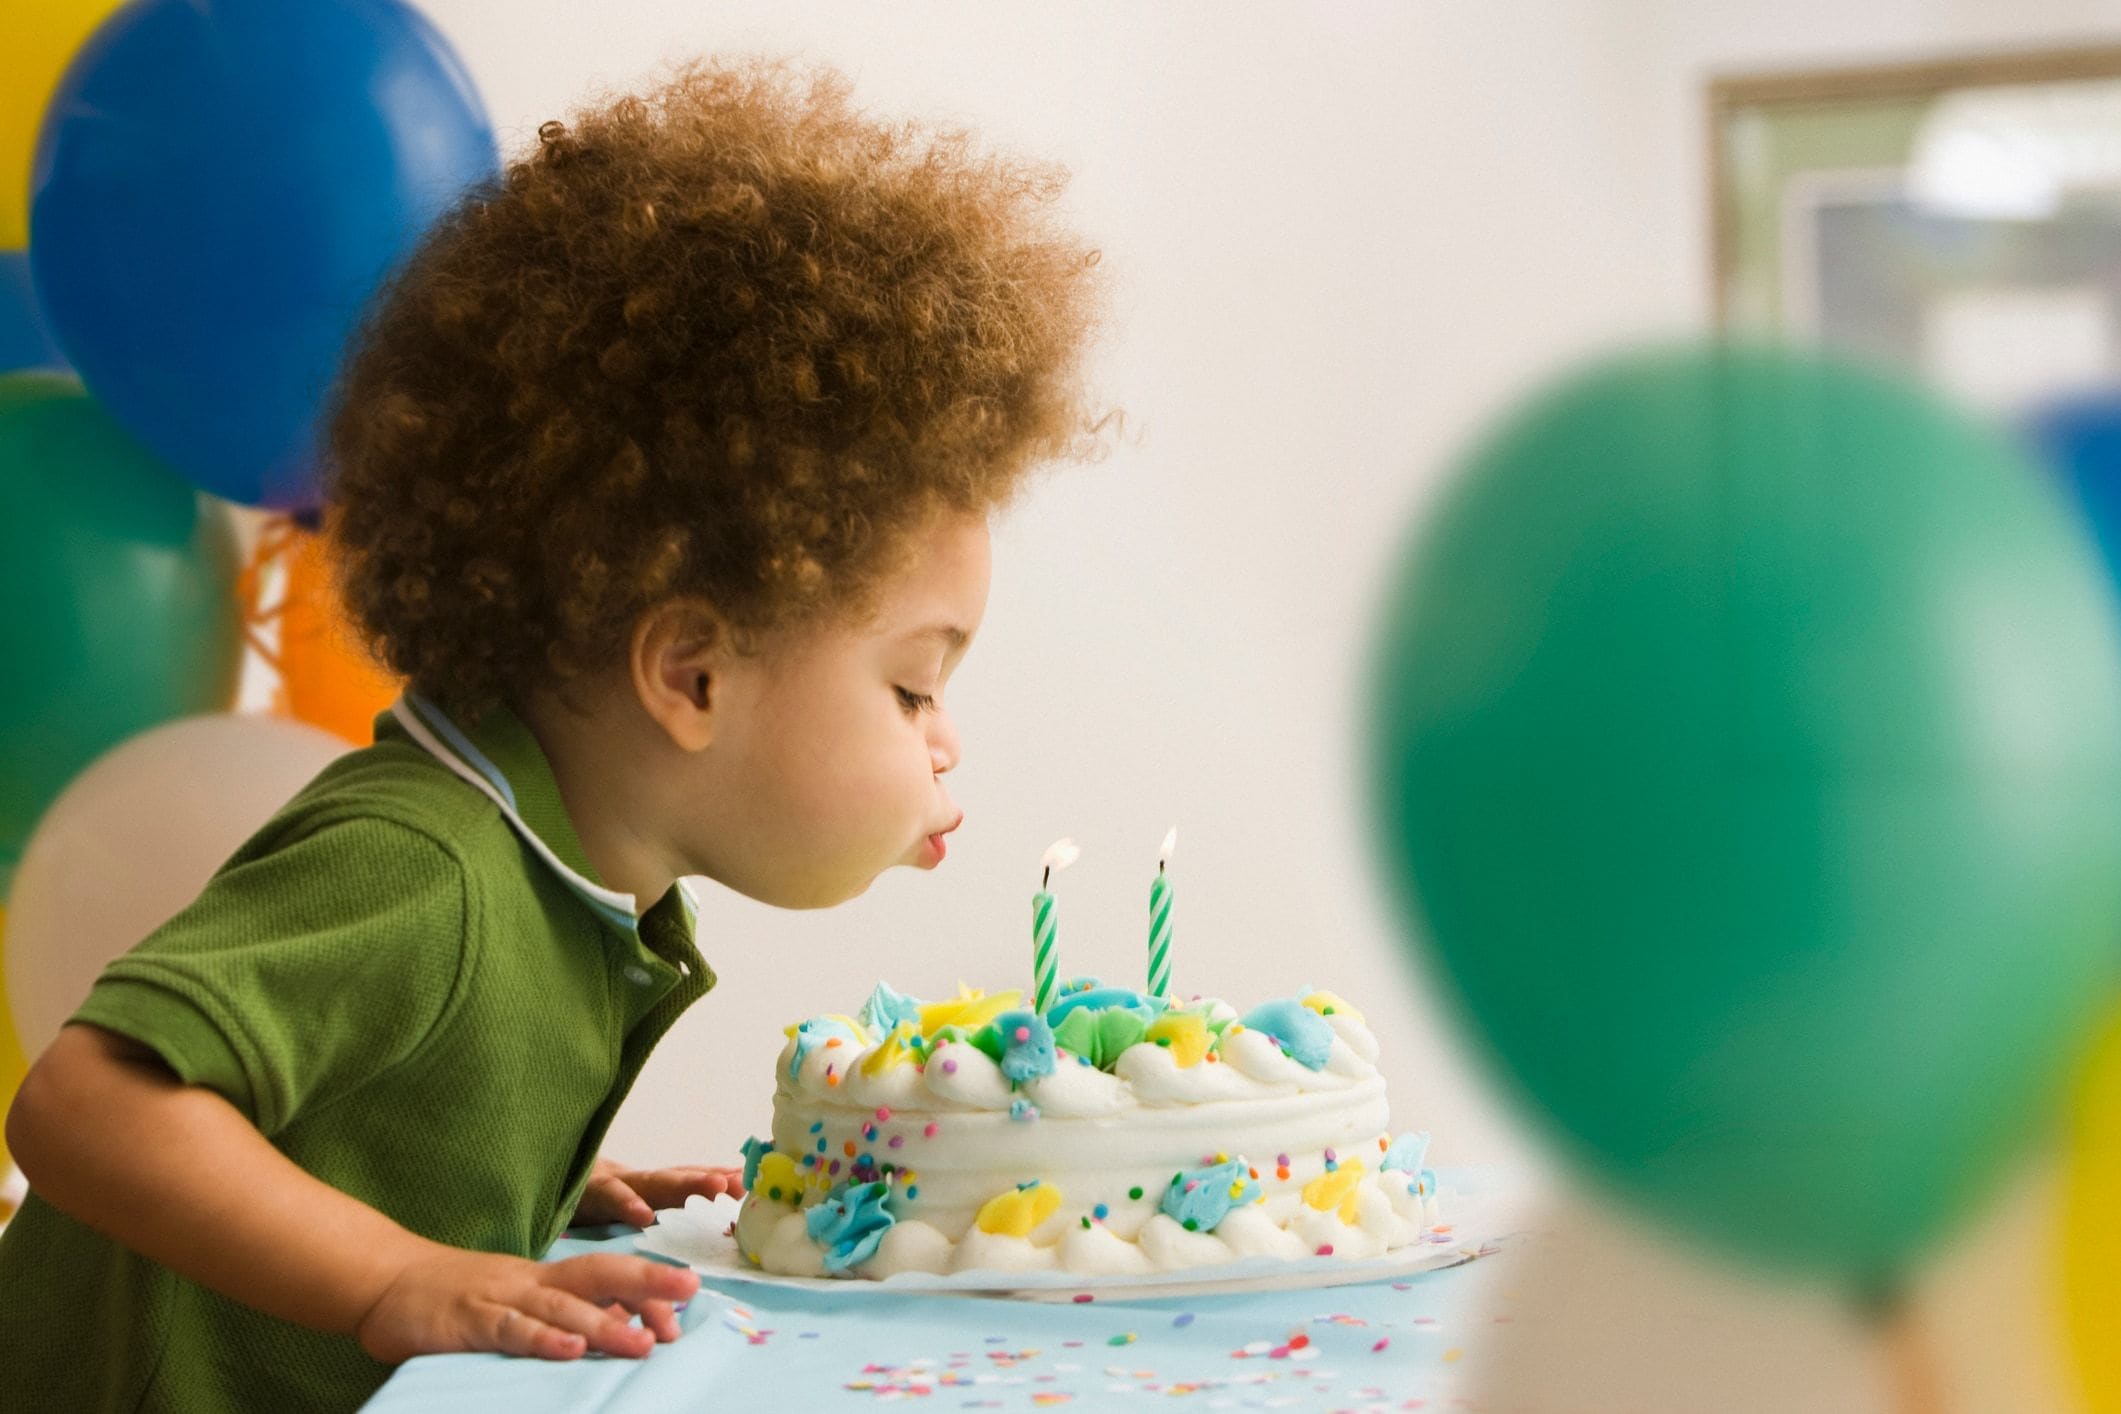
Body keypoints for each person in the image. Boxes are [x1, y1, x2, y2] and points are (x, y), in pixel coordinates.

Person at [0, 55, 1107, 1410]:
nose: (943, 744)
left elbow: (355, 1090)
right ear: (690, 674)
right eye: (913, 687)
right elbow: (81, 1101)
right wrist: (392, 1268)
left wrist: (501, 1176)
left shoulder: (563, 879)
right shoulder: (426, 866)